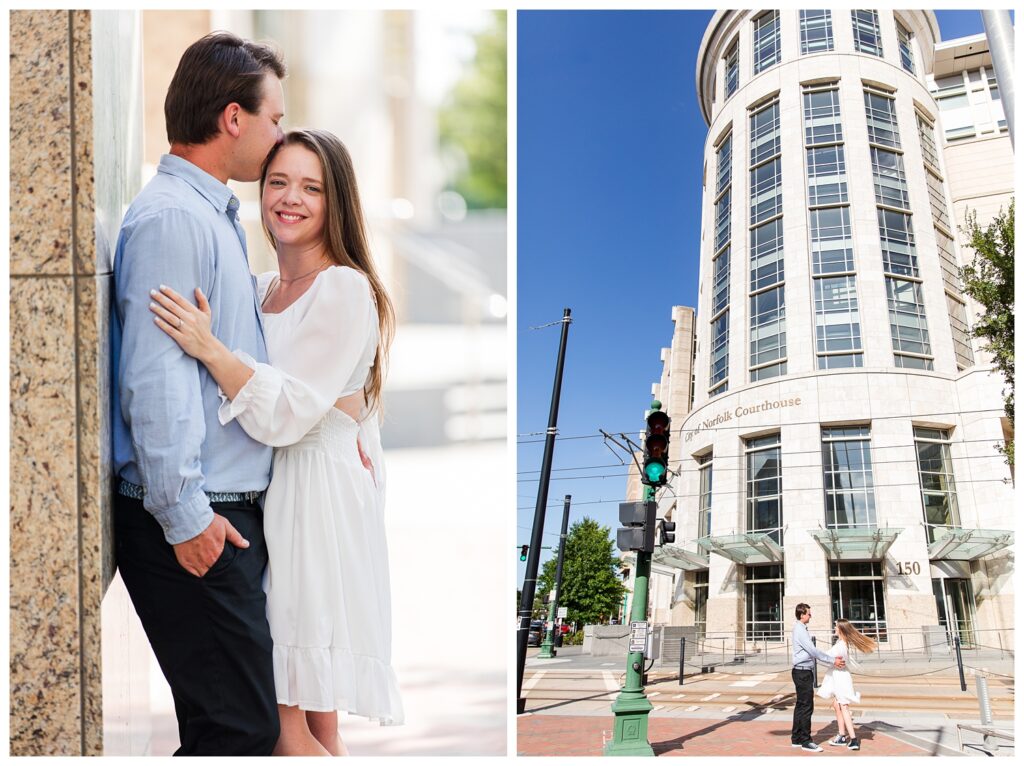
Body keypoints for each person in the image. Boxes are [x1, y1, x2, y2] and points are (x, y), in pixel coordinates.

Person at [148, 128, 404, 755]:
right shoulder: (260, 287)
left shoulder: (344, 287)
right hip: (278, 487)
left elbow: (287, 411)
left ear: (335, 201)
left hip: (313, 499)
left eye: (311, 187)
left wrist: (208, 347)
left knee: (287, 722)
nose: (290, 199)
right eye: (279, 182)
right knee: (315, 723)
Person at [111, 31, 286, 756]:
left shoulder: (208, 217)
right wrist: (186, 520)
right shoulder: (175, 220)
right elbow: (154, 383)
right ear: (233, 118)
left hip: (218, 517)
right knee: (239, 734)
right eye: (275, 117)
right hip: (197, 521)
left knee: (235, 729)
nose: (280, 136)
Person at [791, 603, 845, 752]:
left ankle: (796, 738)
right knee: (807, 706)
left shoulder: (800, 629)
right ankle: (806, 741)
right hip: (802, 672)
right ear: (802, 615)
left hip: (801, 671)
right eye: (808, 613)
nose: (810, 616)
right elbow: (812, 650)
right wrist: (832, 660)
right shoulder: (800, 630)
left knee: (801, 705)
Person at [817, 618, 877, 751]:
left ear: (841, 629)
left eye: (836, 627)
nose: (834, 629)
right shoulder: (841, 643)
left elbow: (827, 659)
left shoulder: (840, 646)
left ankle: (854, 739)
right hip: (839, 677)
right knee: (837, 705)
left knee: (843, 706)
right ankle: (842, 735)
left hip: (841, 678)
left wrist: (815, 654)